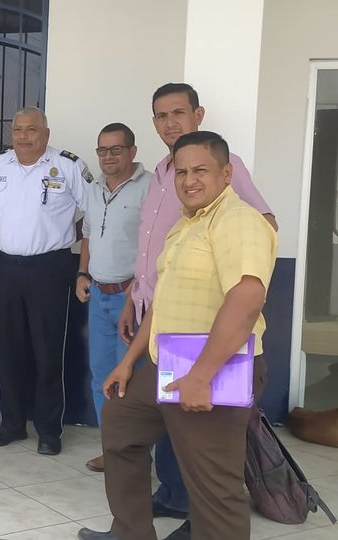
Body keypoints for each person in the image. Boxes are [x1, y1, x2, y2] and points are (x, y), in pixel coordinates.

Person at [78, 131, 276, 540]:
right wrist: (129, 361)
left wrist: (202, 375)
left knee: (213, 486)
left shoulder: (238, 221)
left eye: (200, 170)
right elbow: (162, 302)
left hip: (216, 366)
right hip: (167, 360)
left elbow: (246, 297)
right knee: (120, 423)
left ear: (226, 173)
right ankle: (130, 533)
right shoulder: (186, 225)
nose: (189, 180)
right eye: (182, 172)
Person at [0, 106, 91, 455]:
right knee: (9, 348)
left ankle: (48, 430)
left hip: (50, 268)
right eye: (18, 130)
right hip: (6, 267)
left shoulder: (68, 166)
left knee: (48, 350)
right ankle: (11, 423)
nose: (24, 136)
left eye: (31, 129)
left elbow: (93, 214)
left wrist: (80, 262)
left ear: (46, 133)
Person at [76, 123, 152, 472]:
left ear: (132, 151)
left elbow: (154, 246)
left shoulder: (149, 187)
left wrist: (135, 294)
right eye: (102, 150)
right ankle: (112, 450)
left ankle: (134, 455)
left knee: (129, 380)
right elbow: (88, 236)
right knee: (100, 377)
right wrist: (82, 273)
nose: (108, 157)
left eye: (116, 149)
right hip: (98, 295)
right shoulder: (93, 190)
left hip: (130, 300)